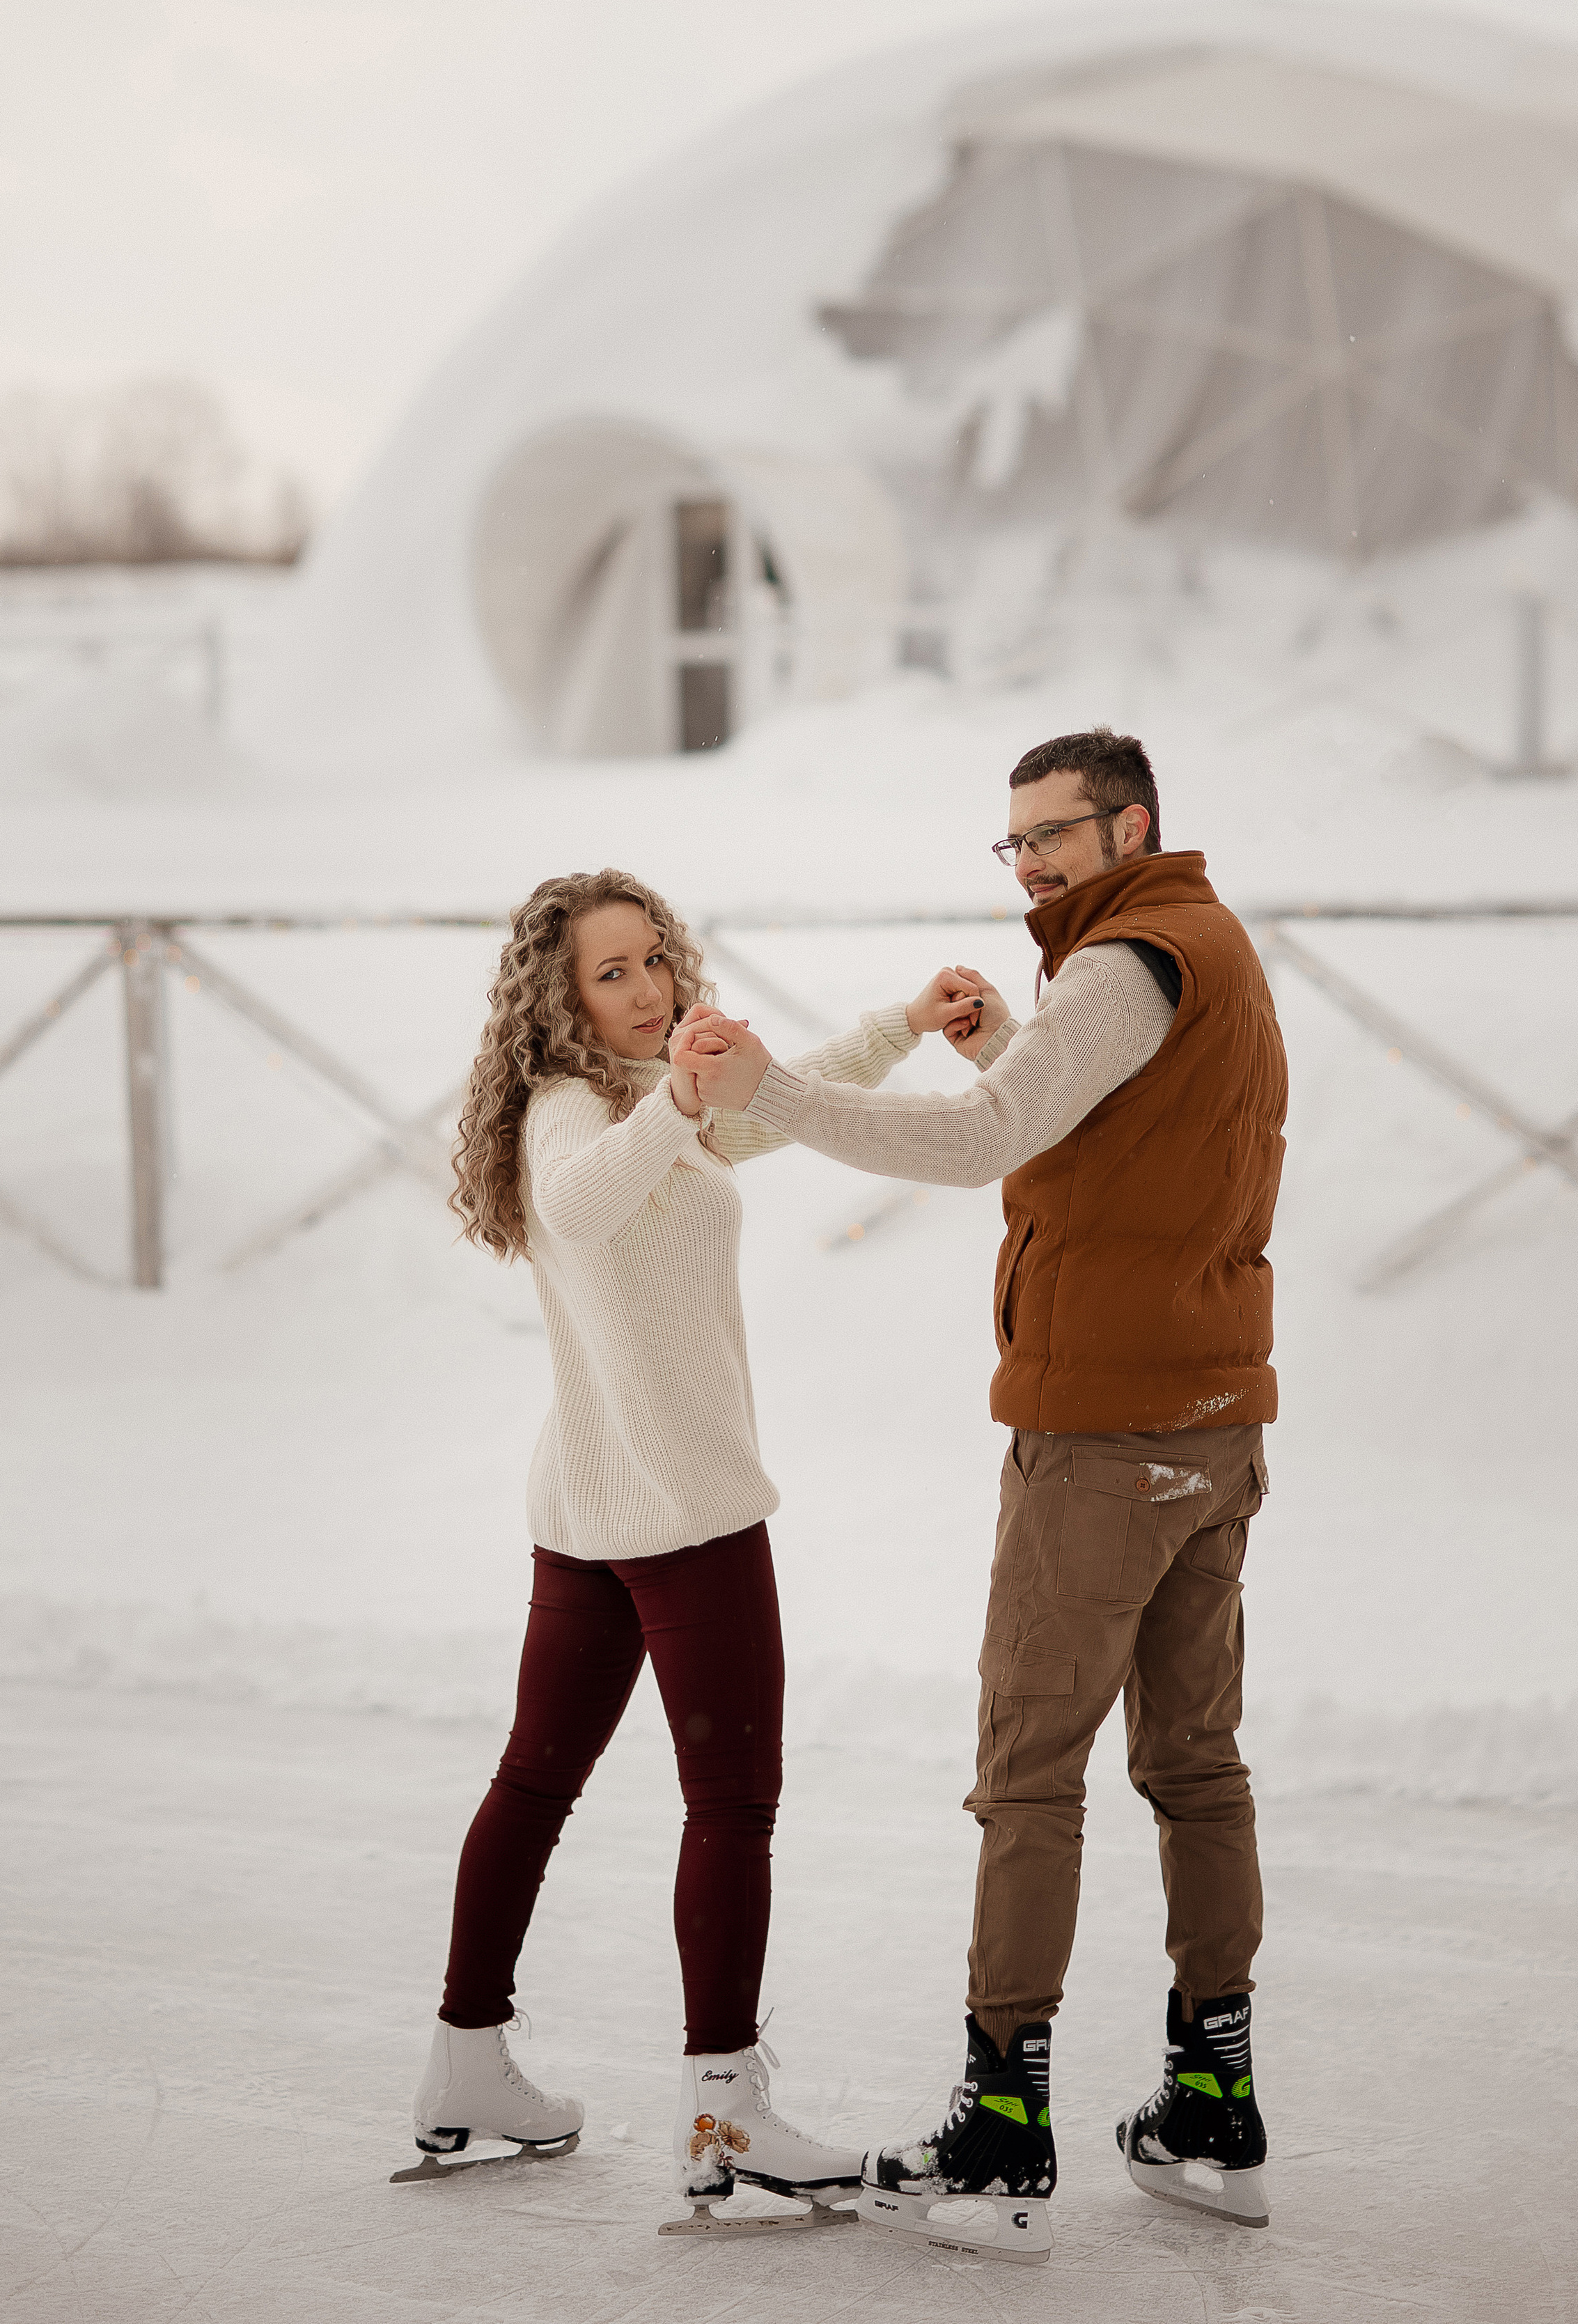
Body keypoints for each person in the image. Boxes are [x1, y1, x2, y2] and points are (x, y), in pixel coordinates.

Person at [673, 727, 1288, 2259]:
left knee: (1027, 1777)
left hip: (1102, 1436)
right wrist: (1009, 1042)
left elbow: (985, 1142)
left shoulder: (1125, 959)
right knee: (1195, 1763)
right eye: (1011, 843)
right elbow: (1104, 1119)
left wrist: (774, 1091)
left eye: (1053, 836)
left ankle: (1002, 2132)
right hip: (1210, 1423)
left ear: (1130, 826)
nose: (1028, 867)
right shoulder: (1202, 944)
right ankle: (1213, 2105)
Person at [409, 866, 984, 2220]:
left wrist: (901, 1024)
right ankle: (723, 2112)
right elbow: (578, 1202)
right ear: (556, 998)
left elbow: (784, 1099)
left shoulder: (645, 1097)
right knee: (729, 1803)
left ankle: (465, 2067)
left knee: (535, 1784)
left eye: (653, 958)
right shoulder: (576, 1108)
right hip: (677, 1509)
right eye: (609, 971)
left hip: (596, 1507)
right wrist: (674, 1100)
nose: (644, 987)